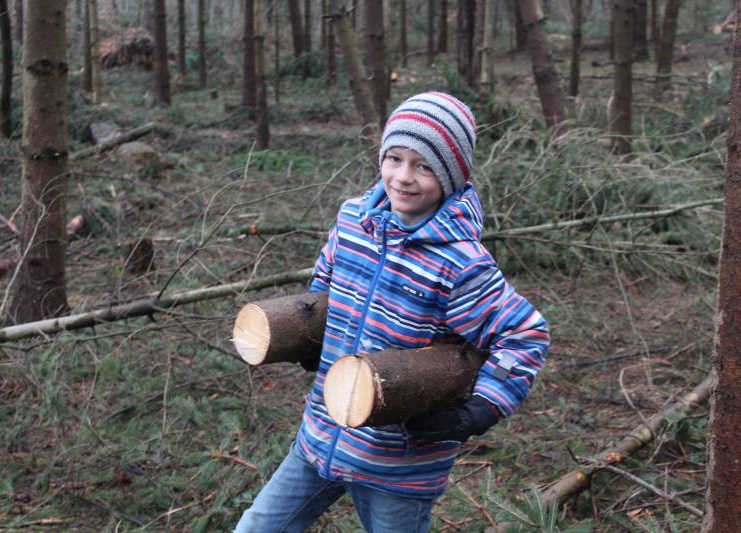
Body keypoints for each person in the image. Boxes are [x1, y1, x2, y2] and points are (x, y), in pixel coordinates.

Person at [234, 92, 549, 533]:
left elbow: (525, 336)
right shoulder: (352, 222)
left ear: (452, 175)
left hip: (398, 468)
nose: (403, 177)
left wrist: (478, 411)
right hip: (321, 434)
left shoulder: (460, 263)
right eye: (394, 158)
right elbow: (323, 288)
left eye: (424, 166)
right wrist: (312, 341)